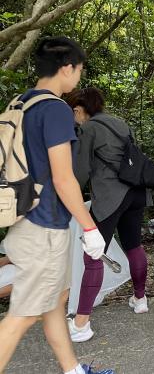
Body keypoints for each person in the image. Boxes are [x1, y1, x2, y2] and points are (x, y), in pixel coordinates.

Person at [0, 37, 113, 374]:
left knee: (55, 301)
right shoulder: (56, 110)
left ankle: (73, 370)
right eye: (78, 70)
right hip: (45, 226)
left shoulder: (19, 104)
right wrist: (90, 228)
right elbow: (64, 179)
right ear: (67, 68)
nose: (78, 77)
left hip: (23, 219)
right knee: (22, 317)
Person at [64, 87, 150, 343]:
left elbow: (79, 173)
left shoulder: (88, 129)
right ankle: (140, 298)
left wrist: (67, 196)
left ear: (79, 110)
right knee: (133, 245)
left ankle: (81, 324)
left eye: (73, 112)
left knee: (93, 253)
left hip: (111, 198)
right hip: (136, 192)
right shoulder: (120, 123)